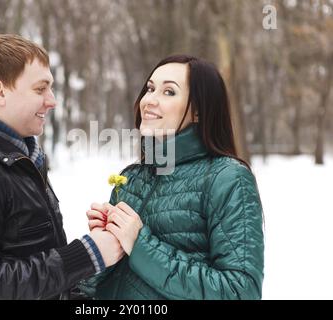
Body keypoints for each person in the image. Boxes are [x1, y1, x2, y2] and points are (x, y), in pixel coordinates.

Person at [0, 34, 124, 300]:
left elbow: (31, 255)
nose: (52, 101)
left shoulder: (18, 155)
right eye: (40, 89)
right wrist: (85, 256)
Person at [81, 55, 264, 300]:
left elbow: (241, 291)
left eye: (169, 92)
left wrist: (139, 244)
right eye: (150, 88)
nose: (149, 101)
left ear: (198, 111)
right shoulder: (131, 178)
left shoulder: (227, 178)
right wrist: (101, 248)